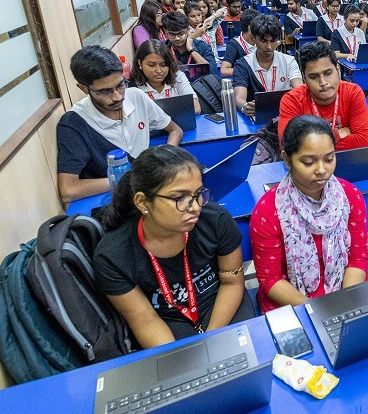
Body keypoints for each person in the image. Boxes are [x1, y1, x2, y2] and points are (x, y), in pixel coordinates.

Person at [94, 146, 254, 346]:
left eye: (198, 194)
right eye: (180, 198)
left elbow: (231, 283)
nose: (195, 206)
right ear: (143, 202)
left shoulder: (216, 220)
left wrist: (211, 338)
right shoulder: (112, 256)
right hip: (166, 320)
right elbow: (145, 321)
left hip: (221, 302)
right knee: (185, 369)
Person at [278, 41, 368, 253]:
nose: (323, 82)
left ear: (338, 69)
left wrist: (315, 141)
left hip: (351, 173)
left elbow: (363, 140)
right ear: (305, 78)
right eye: (314, 77)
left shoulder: (352, 92)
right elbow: (289, 146)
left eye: (328, 73)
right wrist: (341, 132)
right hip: (308, 181)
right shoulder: (292, 100)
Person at [249, 115, 368, 313]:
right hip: (292, 301)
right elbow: (270, 279)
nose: (322, 170)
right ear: (287, 159)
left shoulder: (349, 197)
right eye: (308, 162)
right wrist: (317, 311)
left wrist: (346, 305)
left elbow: (357, 258)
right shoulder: (269, 210)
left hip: (345, 289)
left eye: (329, 159)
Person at [56, 46, 183, 203]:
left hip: (149, 190)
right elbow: (69, 190)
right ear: (83, 88)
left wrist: (168, 157)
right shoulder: (74, 123)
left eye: (120, 85)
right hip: (113, 201)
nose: (117, 97)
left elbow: (175, 130)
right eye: (105, 91)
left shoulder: (136, 96)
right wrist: (132, 178)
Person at [233, 15, 303, 117]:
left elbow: (299, 90)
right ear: (253, 39)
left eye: (273, 41)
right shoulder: (242, 65)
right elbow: (239, 98)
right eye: (263, 41)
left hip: (285, 114)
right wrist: (245, 107)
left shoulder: (289, 61)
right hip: (256, 117)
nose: (269, 47)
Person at [131, 40, 201, 115]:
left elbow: (196, 108)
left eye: (163, 65)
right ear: (139, 63)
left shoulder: (177, 77)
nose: (158, 70)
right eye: (151, 65)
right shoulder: (132, 86)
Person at [221, 8, 260, 77]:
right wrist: (248, 71)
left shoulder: (262, 42)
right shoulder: (234, 45)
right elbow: (224, 71)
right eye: (259, 26)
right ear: (250, 27)